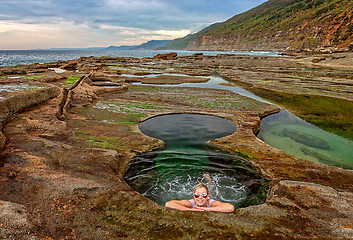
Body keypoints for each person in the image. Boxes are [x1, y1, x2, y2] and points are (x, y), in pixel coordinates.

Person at [165, 183, 234, 212]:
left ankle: (209, 181)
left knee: (212, 187)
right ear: (193, 195)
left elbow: (230, 208)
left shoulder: (210, 203)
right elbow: (168, 204)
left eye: (204, 195)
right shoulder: (190, 203)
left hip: (208, 205)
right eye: (197, 195)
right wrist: (189, 209)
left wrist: (208, 209)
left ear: (207, 196)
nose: (200, 197)